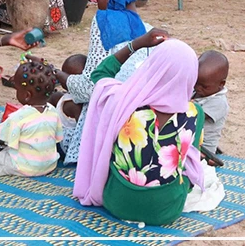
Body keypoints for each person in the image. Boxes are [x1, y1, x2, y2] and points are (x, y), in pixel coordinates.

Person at [73, 37, 205, 226]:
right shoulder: (195, 113)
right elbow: (191, 157)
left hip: (117, 202)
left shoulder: (122, 102)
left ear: (151, 67)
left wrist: (135, 45)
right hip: (167, 211)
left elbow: (99, 75)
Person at [57, 0, 150, 165]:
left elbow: (94, 86)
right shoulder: (148, 32)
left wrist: (61, 77)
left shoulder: (104, 21)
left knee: (58, 104)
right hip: (138, 127)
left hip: (110, 123)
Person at [193, 51, 229, 156]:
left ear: (221, 84)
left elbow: (195, 117)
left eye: (204, 86)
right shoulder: (196, 91)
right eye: (196, 82)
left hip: (204, 149)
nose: (197, 88)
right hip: (191, 141)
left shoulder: (219, 103)